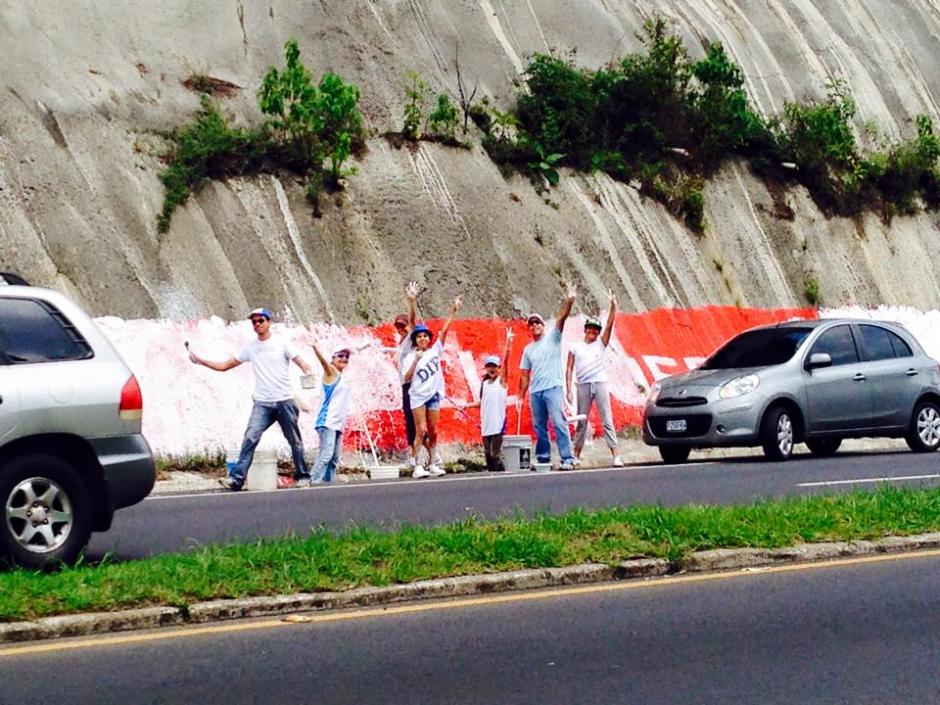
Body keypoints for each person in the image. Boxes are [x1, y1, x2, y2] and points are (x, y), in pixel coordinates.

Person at [188, 307, 313, 491]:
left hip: (285, 400)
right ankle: (236, 479)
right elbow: (225, 365)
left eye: (261, 321)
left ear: (269, 322)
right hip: (262, 403)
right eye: (254, 322)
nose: (257, 325)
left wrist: (308, 371)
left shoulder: (282, 343)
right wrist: (201, 361)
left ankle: (302, 476)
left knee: (294, 440)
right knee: (250, 437)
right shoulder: (251, 348)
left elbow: (301, 362)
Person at [518, 283, 578, 470]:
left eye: (537, 323)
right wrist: (521, 395)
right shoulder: (528, 350)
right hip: (536, 391)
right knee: (539, 427)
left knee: (559, 422)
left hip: (553, 388)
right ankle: (543, 459)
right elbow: (525, 374)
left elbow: (561, 318)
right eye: (531, 324)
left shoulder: (553, 337)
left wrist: (569, 301)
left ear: (543, 326)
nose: (534, 326)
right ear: (529, 328)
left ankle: (567, 458)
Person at [403, 295, 462, 478]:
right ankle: (417, 465)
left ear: (429, 338)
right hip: (418, 396)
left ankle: (433, 462)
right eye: (419, 336)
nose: (422, 338)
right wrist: (415, 361)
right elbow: (406, 378)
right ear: (415, 340)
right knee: (421, 430)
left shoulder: (435, 349)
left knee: (434, 431)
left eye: (425, 336)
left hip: (433, 395)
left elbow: (444, 331)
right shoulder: (409, 356)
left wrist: (453, 310)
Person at [566, 289, 623, 467]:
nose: (592, 332)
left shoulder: (600, 344)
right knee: (581, 420)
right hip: (582, 384)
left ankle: (615, 454)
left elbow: (610, 325)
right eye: (590, 329)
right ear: (585, 330)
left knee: (607, 418)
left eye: (595, 330)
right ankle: (576, 453)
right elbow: (569, 368)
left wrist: (613, 305)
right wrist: (568, 389)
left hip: (599, 383)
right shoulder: (575, 347)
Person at [457, 328, 513, 471]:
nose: (491, 369)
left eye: (494, 366)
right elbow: (482, 402)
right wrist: (466, 406)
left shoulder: (502, 382)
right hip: (486, 426)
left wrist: (508, 343)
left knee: (495, 454)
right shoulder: (485, 384)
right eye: (489, 366)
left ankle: (503, 477)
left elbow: (506, 361)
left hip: (498, 426)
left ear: (499, 368)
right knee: (488, 455)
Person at [304, 344, 352, 485]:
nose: (344, 358)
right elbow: (323, 363)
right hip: (327, 422)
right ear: (333, 359)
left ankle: (328, 484)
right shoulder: (331, 373)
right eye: (340, 356)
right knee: (326, 455)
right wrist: (315, 348)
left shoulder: (342, 377)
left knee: (334, 458)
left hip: (338, 423)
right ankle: (311, 481)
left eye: (346, 357)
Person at [395, 282, 420, 461]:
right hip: (405, 384)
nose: (401, 328)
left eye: (403, 326)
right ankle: (415, 452)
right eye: (398, 326)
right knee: (410, 421)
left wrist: (411, 302)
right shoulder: (402, 343)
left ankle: (419, 453)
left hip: (413, 383)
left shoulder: (412, 339)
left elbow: (412, 322)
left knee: (416, 420)